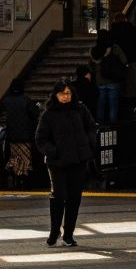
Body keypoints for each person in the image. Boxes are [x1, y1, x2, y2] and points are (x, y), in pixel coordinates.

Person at [35, 80, 98, 247]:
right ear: (55, 95)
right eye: (62, 93)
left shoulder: (80, 109)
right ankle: (54, 231)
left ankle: (68, 234)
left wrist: (88, 143)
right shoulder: (48, 114)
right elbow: (40, 139)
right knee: (59, 195)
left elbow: (92, 127)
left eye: (68, 93)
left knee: (74, 198)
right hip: (57, 162)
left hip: (78, 159)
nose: (65, 96)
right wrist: (53, 151)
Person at [0, 79, 42, 188]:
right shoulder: (26, 100)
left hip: (12, 136)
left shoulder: (7, 101)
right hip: (25, 136)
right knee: (26, 159)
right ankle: (24, 181)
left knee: (15, 158)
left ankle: (16, 179)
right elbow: (35, 114)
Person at [91, 29, 128, 125]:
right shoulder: (114, 47)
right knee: (113, 105)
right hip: (113, 80)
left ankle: (100, 125)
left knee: (100, 105)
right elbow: (124, 60)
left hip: (100, 81)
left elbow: (91, 65)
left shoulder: (94, 49)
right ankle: (113, 125)